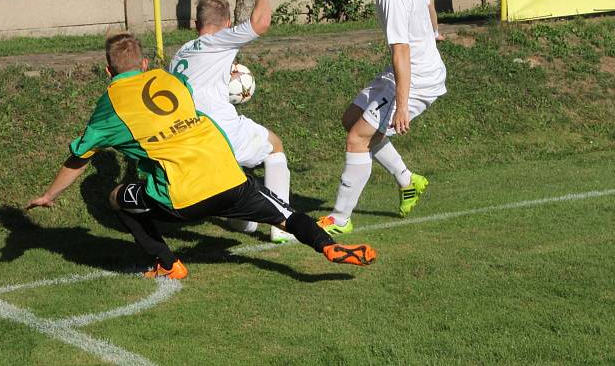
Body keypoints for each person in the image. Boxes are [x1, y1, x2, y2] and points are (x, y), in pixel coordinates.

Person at [26, 32, 376, 279]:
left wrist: (49, 195)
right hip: (229, 178)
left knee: (118, 197)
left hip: (182, 200)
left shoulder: (112, 102)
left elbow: (79, 156)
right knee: (285, 215)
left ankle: (167, 262)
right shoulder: (169, 80)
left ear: (107, 72)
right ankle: (328, 247)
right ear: (146, 63)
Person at [317, 0, 447, 235]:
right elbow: (428, 1)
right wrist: (434, 32)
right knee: (352, 119)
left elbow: (400, 51)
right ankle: (408, 180)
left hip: (417, 78)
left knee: (358, 139)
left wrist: (402, 105)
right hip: (405, 72)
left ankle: (340, 218)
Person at [169, 0, 293, 244]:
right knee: (275, 145)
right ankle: (281, 226)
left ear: (195, 24)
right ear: (226, 25)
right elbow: (260, 23)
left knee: (232, 166)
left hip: (189, 136)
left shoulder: (180, 54)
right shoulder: (220, 40)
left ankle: (242, 221)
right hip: (219, 131)